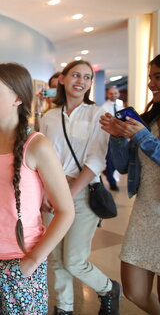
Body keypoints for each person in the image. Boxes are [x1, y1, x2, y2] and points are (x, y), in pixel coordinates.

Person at [0, 62, 74, 314]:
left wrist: (33, 261)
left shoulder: (37, 146)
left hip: (22, 259)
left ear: (17, 97)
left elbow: (66, 211)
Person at [40, 60, 121, 315]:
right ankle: (63, 307)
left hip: (83, 192)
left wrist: (68, 194)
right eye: (76, 75)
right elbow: (43, 158)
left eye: (87, 78)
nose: (81, 82)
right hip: (52, 190)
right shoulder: (49, 117)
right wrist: (44, 191)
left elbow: (96, 160)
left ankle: (108, 288)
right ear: (62, 79)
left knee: (73, 260)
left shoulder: (98, 114)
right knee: (56, 258)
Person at [99, 54, 160, 314]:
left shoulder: (146, 128)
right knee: (134, 291)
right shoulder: (150, 118)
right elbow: (124, 167)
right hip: (145, 212)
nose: (150, 83)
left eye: (157, 77)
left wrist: (143, 137)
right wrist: (118, 138)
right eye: (150, 77)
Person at [101, 86, 124, 191]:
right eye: (111, 93)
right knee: (110, 161)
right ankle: (112, 182)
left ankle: (107, 172)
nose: (113, 95)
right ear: (107, 95)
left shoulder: (121, 105)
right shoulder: (103, 108)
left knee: (119, 160)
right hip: (108, 138)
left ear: (118, 94)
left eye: (115, 93)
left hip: (121, 137)